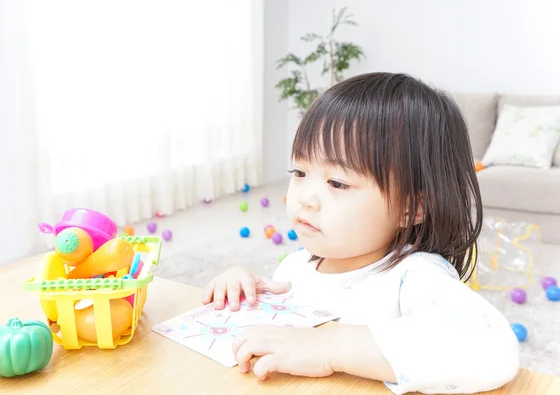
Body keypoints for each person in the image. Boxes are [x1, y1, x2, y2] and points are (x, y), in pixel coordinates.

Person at [202, 72, 519, 394]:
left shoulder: (414, 276)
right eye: (299, 172)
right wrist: (247, 292)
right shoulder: (297, 267)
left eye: (337, 183)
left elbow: (490, 349)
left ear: (411, 208)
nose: (305, 198)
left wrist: (327, 346)